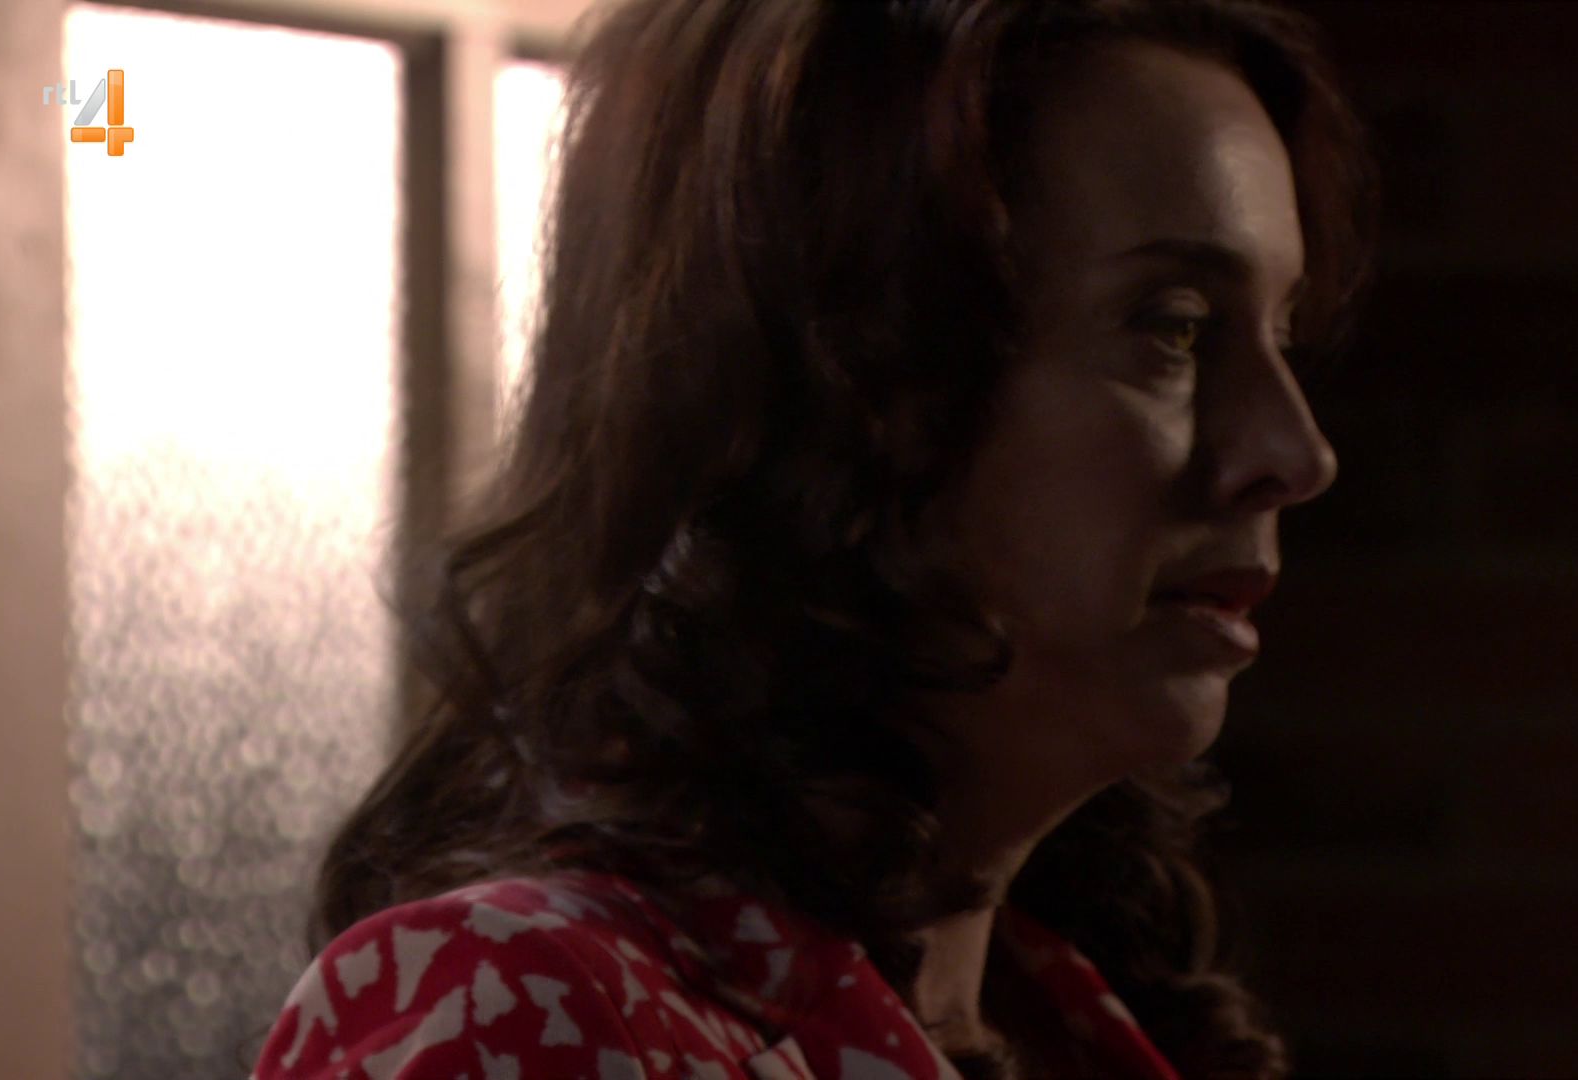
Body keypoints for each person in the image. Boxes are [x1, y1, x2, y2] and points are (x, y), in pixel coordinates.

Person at [254, 0, 1373, 1077]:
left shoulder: (1065, 1018)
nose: (1296, 452)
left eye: (1281, 335)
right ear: (842, 376)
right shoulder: (531, 1011)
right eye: (1175, 327)